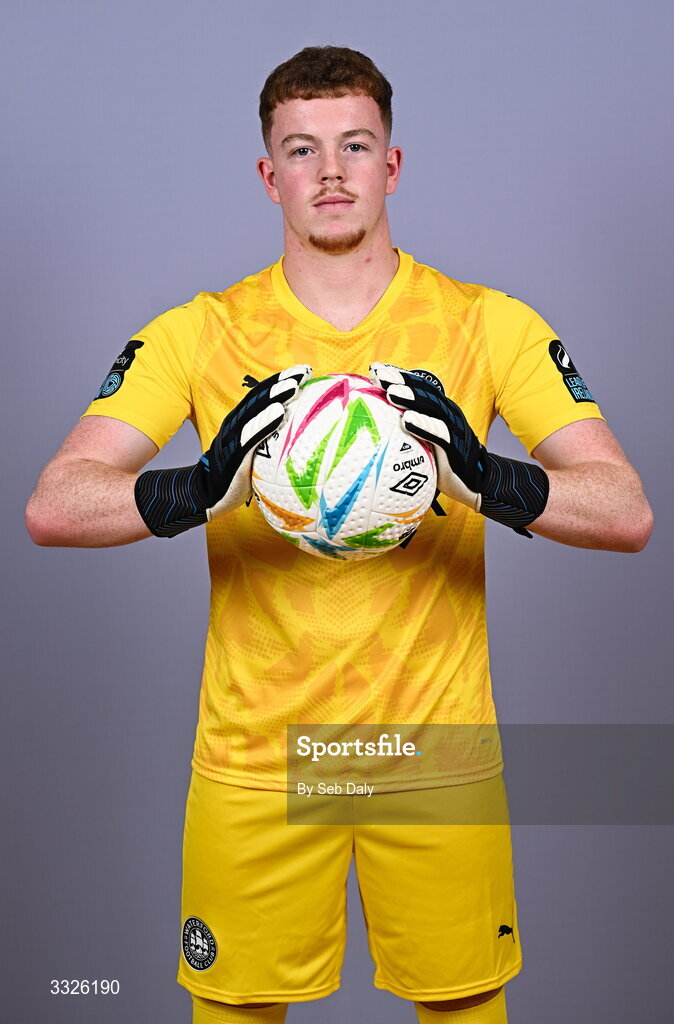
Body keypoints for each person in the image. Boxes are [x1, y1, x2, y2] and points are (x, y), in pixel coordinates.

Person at [25, 45, 652, 1024]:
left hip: (430, 759)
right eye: (302, 150)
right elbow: (55, 503)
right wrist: (202, 485)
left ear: (389, 165)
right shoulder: (201, 333)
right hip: (260, 760)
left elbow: (625, 511)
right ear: (267, 173)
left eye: (353, 145)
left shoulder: (484, 326)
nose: (328, 172)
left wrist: (482, 478)